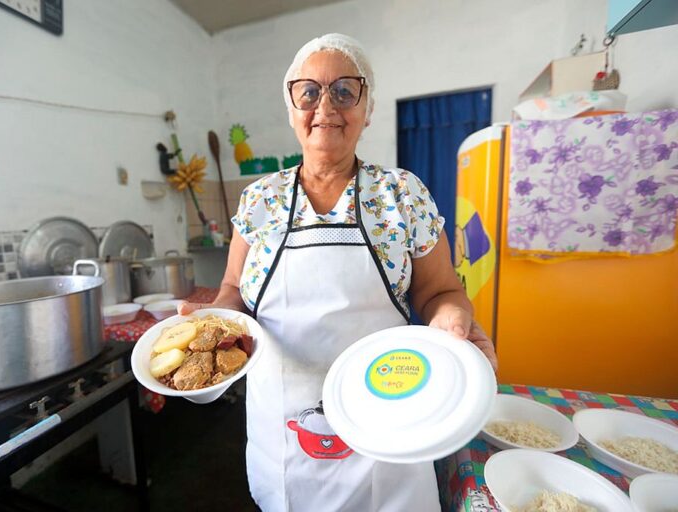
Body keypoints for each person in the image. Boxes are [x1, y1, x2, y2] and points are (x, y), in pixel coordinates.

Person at [180, 33, 497, 512]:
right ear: (291, 109)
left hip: (389, 423)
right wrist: (211, 324)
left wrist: (451, 319)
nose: (324, 106)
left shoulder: (402, 195)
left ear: (367, 109)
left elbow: (441, 291)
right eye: (308, 91)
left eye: (344, 91)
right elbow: (233, 290)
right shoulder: (259, 201)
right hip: (284, 433)